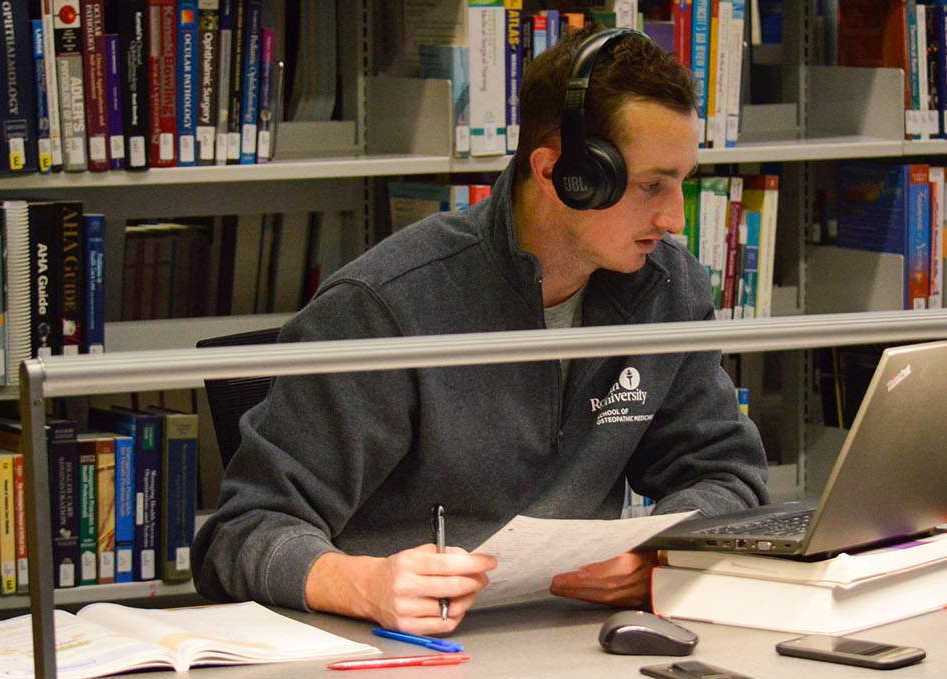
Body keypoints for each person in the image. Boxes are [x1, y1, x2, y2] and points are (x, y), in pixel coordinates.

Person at [191, 26, 770, 634]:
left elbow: (725, 474)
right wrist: (361, 583)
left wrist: (659, 553)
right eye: (651, 185)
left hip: (568, 640)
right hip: (393, 646)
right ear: (560, 173)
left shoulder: (667, 290)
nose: (676, 218)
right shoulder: (384, 307)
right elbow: (242, 532)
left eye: (683, 182)